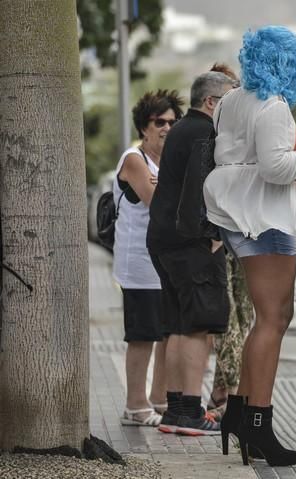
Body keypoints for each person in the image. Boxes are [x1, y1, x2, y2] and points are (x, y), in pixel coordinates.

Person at [203, 26, 296, 466]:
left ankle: (239, 413)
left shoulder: (231, 100)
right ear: (290, 65)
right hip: (264, 214)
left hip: (235, 210)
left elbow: (235, 155)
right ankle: (257, 425)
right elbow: (277, 167)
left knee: (266, 317)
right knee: (274, 318)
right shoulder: (273, 107)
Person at [147, 71, 237, 436]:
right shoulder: (204, 132)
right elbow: (200, 187)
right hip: (191, 241)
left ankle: (174, 410)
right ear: (212, 102)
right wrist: (212, 233)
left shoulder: (182, 129)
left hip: (164, 238)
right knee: (199, 326)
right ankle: (190, 411)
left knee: (178, 325)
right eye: (230, 100)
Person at [114, 89, 184, 427]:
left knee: (166, 333)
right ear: (144, 126)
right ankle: (134, 405)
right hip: (138, 263)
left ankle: (158, 398)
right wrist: (169, 189)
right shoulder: (134, 159)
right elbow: (158, 203)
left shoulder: (167, 163)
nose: (167, 127)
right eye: (160, 122)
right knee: (142, 334)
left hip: (164, 263)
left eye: (172, 122)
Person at [204, 63, 254, 423]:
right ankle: (234, 397)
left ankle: (221, 393)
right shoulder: (211, 137)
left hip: (248, 237)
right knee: (227, 321)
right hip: (220, 238)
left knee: (246, 317)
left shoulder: (246, 132)